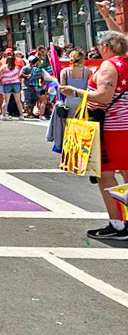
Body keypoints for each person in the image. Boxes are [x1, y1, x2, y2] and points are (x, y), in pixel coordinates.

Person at [58, 30, 128, 240]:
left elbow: (104, 96)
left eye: (99, 46)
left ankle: (118, 225)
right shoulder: (125, 62)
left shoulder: (109, 66)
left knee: (104, 175)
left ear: (105, 47)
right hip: (123, 125)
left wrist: (75, 92)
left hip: (110, 128)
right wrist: (106, 15)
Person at [60, 48, 90, 115]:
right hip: (83, 101)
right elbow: (90, 88)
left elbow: (62, 89)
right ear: (82, 59)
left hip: (69, 101)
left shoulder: (64, 71)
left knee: (69, 123)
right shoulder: (88, 71)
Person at [0, 50, 24, 120]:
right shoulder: (17, 68)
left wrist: (1, 81)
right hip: (16, 83)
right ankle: (21, 115)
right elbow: (19, 76)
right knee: (18, 101)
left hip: (7, 84)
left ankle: (3, 115)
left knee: (6, 101)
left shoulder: (4, 67)